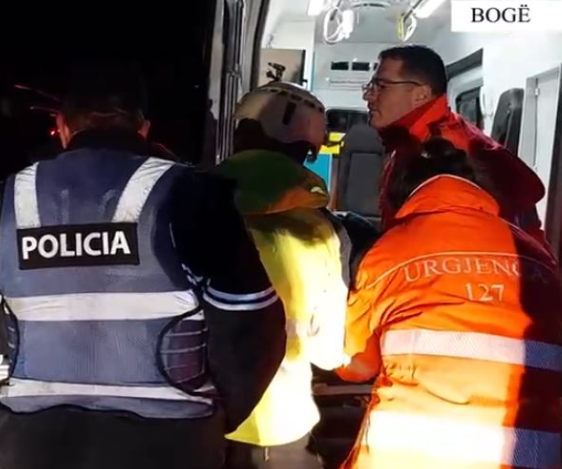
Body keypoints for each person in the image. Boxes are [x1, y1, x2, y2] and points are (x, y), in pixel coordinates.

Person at [0, 63, 286, 469]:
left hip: (34, 444)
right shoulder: (194, 194)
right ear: (143, 128)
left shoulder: (2, 201)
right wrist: (215, 419)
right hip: (166, 445)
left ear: (62, 127)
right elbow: (253, 330)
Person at [337, 137, 562, 468]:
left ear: (403, 195)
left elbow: (356, 365)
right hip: (530, 456)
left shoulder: (390, 251)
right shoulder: (537, 256)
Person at [215, 82, 352, 469]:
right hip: (280, 426)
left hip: (203, 421)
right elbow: (328, 351)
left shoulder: (188, 206)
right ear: (307, 151)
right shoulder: (325, 231)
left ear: (240, 134)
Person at [364, 45, 547, 245]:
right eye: (371, 87)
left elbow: (446, 243)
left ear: (421, 95)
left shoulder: (446, 150)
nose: (368, 96)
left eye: (381, 86)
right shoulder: (413, 141)